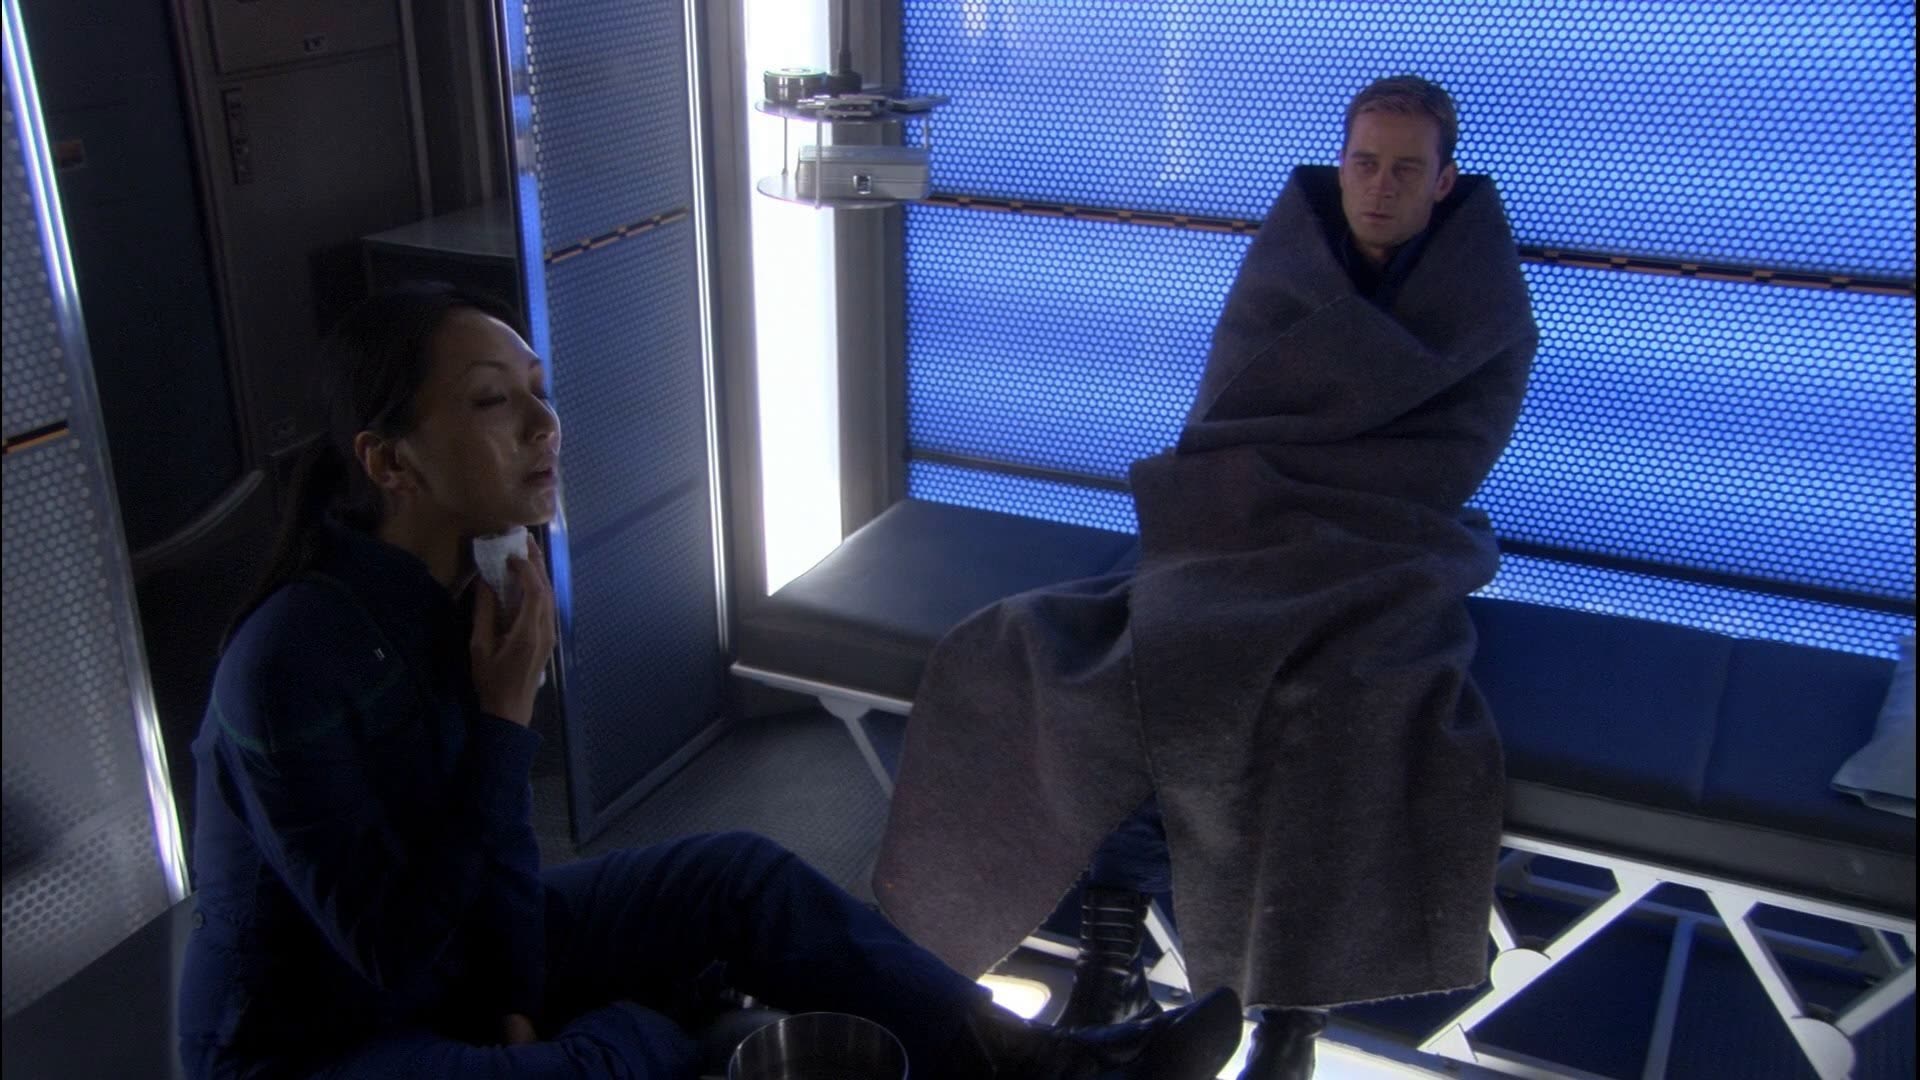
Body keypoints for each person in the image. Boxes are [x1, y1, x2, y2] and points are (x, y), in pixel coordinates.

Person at [174, 282, 1245, 1079]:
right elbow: (396, 963)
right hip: (315, 1040)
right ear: (389, 462)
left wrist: (516, 996)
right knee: (645, 1044)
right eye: (494, 402)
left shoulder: (477, 587)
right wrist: (504, 725)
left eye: (539, 392)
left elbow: (493, 856)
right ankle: (667, 1022)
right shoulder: (289, 663)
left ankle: (1052, 1068)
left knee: (737, 879)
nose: (545, 426)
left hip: (447, 955)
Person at [873, 75, 1540, 1080]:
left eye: (1407, 169)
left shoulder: (1483, 309)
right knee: (1102, 667)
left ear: (1445, 182)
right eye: (1364, 162)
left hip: (1382, 548)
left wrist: (1336, 503)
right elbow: (1228, 417)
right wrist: (1266, 498)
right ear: (1341, 163)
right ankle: (1111, 956)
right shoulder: (1287, 268)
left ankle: (1290, 1016)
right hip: (1237, 524)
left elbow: (1453, 454)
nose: (1380, 186)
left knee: (1338, 703)